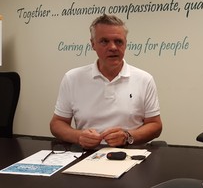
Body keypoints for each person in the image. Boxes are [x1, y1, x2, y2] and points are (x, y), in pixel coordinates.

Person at [50, 14, 162, 149]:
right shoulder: (72, 78)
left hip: (131, 154)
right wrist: (78, 136)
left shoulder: (144, 79)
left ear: (126, 44)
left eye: (118, 41)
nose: (113, 47)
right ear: (93, 44)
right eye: (104, 41)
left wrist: (127, 136)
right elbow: (57, 124)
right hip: (87, 155)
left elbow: (156, 126)